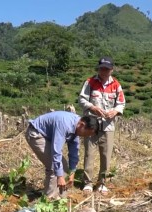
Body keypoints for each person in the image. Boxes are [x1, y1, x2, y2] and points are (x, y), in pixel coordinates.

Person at [78, 57, 126, 195]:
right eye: (102, 68)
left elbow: (121, 103)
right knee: (89, 153)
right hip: (90, 125)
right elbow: (81, 99)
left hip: (108, 126)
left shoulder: (116, 85)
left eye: (107, 69)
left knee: (106, 155)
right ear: (98, 69)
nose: (104, 71)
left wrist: (115, 111)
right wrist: (92, 107)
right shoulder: (90, 82)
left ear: (112, 69)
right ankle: (87, 182)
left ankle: (101, 182)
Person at [25, 111, 98, 198]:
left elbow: (74, 151)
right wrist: (60, 176)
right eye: (87, 134)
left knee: (64, 167)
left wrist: (72, 172)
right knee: (54, 167)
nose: (86, 136)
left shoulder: (76, 127)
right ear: (82, 125)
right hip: (36, 134)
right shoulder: (64, 124)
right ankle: (50, 201)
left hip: (47, 136)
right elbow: (56, 152)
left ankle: (61, 198)